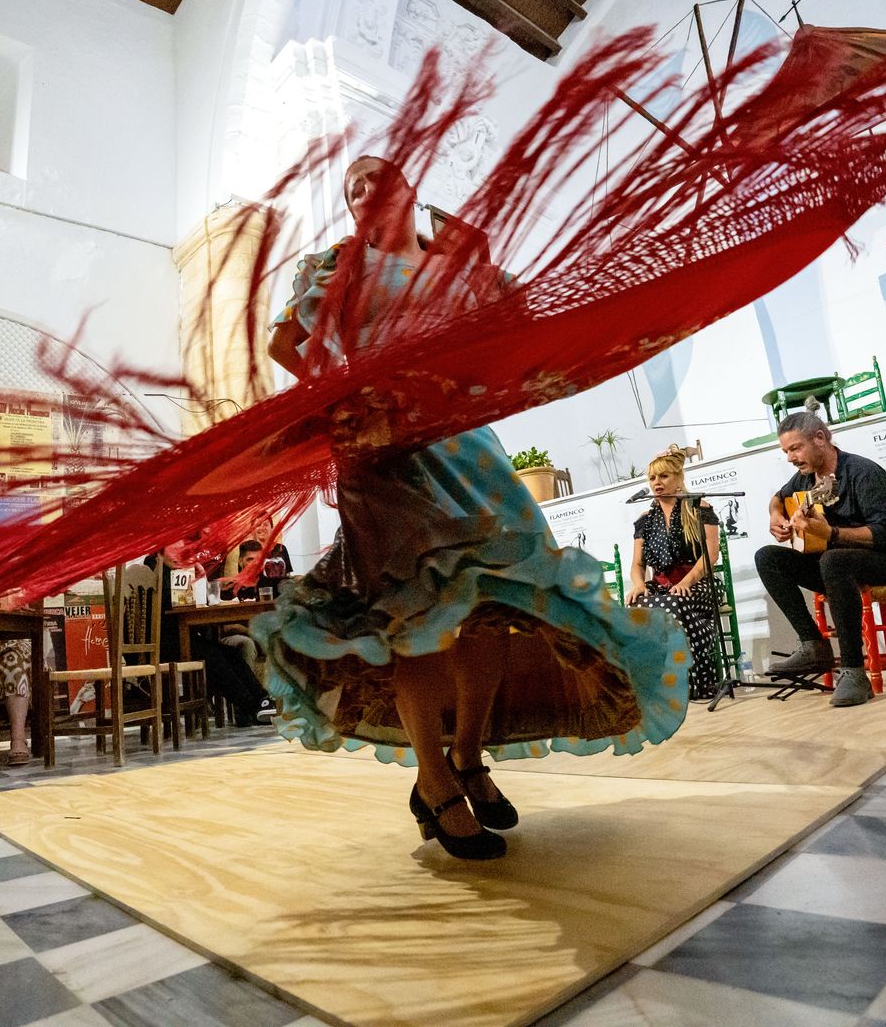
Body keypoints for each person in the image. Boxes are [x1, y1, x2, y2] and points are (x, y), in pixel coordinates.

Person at [256, 155, 689, 861]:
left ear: (407, 188)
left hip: (462, 441)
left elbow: (509, 328)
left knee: (499, 598)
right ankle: (433, 780)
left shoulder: (453, 257)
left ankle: (465, 757)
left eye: (376, 179)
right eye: (351, 188)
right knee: (412, 616)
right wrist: (345, 388)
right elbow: (283, 342)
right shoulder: (335, 267)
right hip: (381, 456)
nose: (364, 193)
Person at [755, 412, 886, 707]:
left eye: (795, 448)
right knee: (768, 557)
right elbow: (778, 497)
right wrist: (775, 515)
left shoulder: (864, 472)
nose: (790, 457)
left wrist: (832, 533)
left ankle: (854, 672)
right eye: (786, 451)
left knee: (833, 560)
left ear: (820, 438)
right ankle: (813, 645)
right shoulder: (804, 477)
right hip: (838, 568)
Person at [625, 450, 722, 702]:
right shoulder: (644, 520)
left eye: (664, 476)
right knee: (637, 605)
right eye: (652, 478)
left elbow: (711, 555)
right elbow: (637, 564)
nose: (657, 482)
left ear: (678, 479)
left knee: (673, 602)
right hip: (661, 586)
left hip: (698, 583)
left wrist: (686, 582)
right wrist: (638, 585)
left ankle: (692, 680)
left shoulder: (698, 507)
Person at [147, 553, 275, 727]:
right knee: (211, 655)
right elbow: (172, 602)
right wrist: (192, 576)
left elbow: (201, 601)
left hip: (181, 636)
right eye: (174, 546)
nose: (179, 553)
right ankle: (250, 706)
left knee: (228, 652)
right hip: (158, 643)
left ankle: (261, 699)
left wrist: (201, 579)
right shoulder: (153, 568)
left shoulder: (178, 571)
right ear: (160, 550)